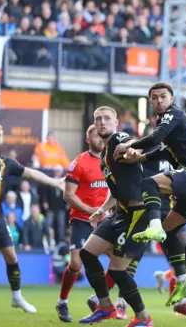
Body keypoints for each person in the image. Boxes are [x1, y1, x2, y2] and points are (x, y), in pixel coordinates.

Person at [115, 82, 186, 306]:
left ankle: (153, 225)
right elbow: (162, 150)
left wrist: (129, 145)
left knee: (148, 184)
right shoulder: (170, 127)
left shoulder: (174, 114)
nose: (159, 101)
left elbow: (153, 140)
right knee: (168, 230)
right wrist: (140, 157)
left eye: (163, 96)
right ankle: (183, 280)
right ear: (150, 103)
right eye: (154, 98)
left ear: (171, 99)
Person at [0, 124, 65, 314]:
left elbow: (32, 173)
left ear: (2, 138)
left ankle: (17, 297)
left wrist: (55, 182)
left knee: (12, 257)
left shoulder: (6, 163)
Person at [77, 106, 154, 326]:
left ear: (116, 122)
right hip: (119, 211)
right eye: (98, 119)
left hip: (137, 215)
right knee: (87, 253)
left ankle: (143, 319)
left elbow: (129, 144)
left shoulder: (118, 139)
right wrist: (102, 209)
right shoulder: (105, 155)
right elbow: (116, 188)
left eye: (106, 119)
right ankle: (105, 306)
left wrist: (132, 150)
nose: (102, 122)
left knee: (118, 271)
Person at [56, 125, 110, 322]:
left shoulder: (112, 160)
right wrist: (90, 211)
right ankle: (62, 301)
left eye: (102, 135)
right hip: (82, 220)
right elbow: (68, 195)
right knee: (76, 264)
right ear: (88, 139)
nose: (100, 139)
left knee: (121, 261)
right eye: (96, 135)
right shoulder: (78, 163)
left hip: (105, 221)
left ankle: (98, 299)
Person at [141, 142, 186, 319]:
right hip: (151, 209)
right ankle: (118, 301)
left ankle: (180, 300)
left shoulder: (179, 153)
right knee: (132, 254)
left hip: (173, 209)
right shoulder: (147, 150)